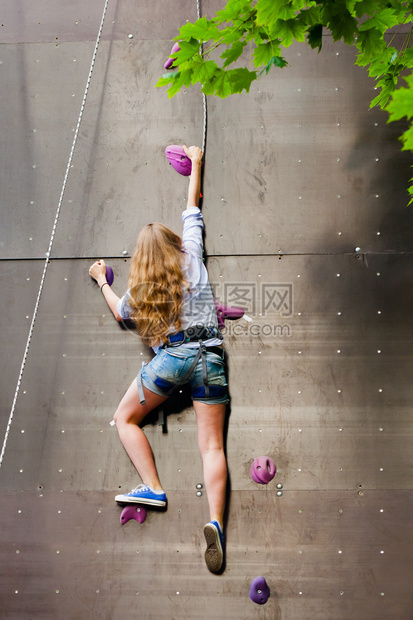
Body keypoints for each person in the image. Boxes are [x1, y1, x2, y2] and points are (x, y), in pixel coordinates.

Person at [89, 145, 229, 573]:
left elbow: (119, 312)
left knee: (125, 418)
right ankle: (216, 524)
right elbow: (193, 209)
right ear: (172, 243)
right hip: (211, 354)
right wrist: (197, 161)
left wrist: (101, 280)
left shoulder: (144, 288)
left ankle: (152, 487)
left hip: (171, 358)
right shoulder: (191, 258)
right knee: (211, 446)